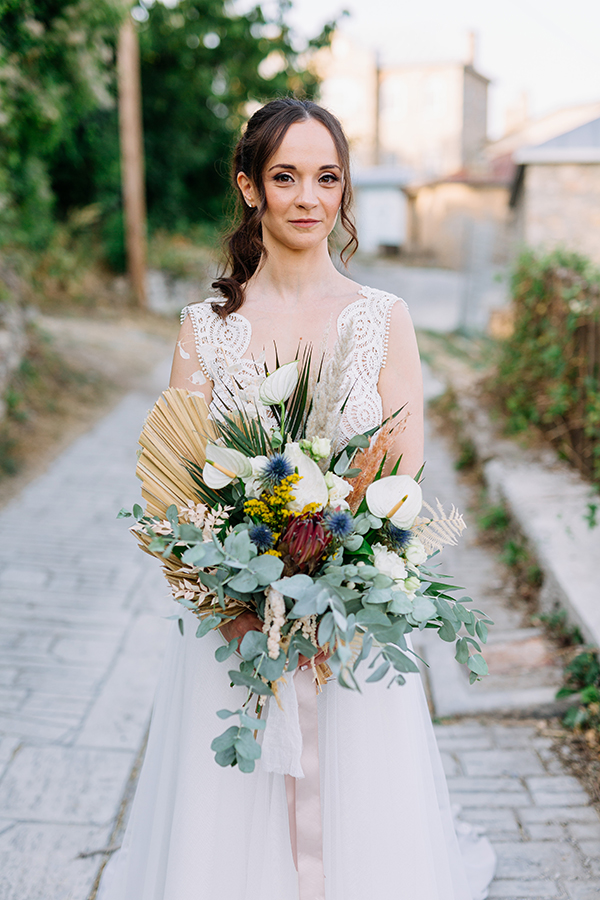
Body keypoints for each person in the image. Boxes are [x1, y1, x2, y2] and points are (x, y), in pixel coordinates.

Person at [98, 98, 495, 900]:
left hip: (351, 619)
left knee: (362, 822)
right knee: (227, 826)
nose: (309, 198)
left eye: (327, 178)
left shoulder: (386, 319)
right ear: (250, 187)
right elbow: (180, 479)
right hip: (236, 619)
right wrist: (241, 588)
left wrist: (337, 577)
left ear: (344, 191)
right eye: (285, 177)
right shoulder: (205, 329)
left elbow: (402, 476)